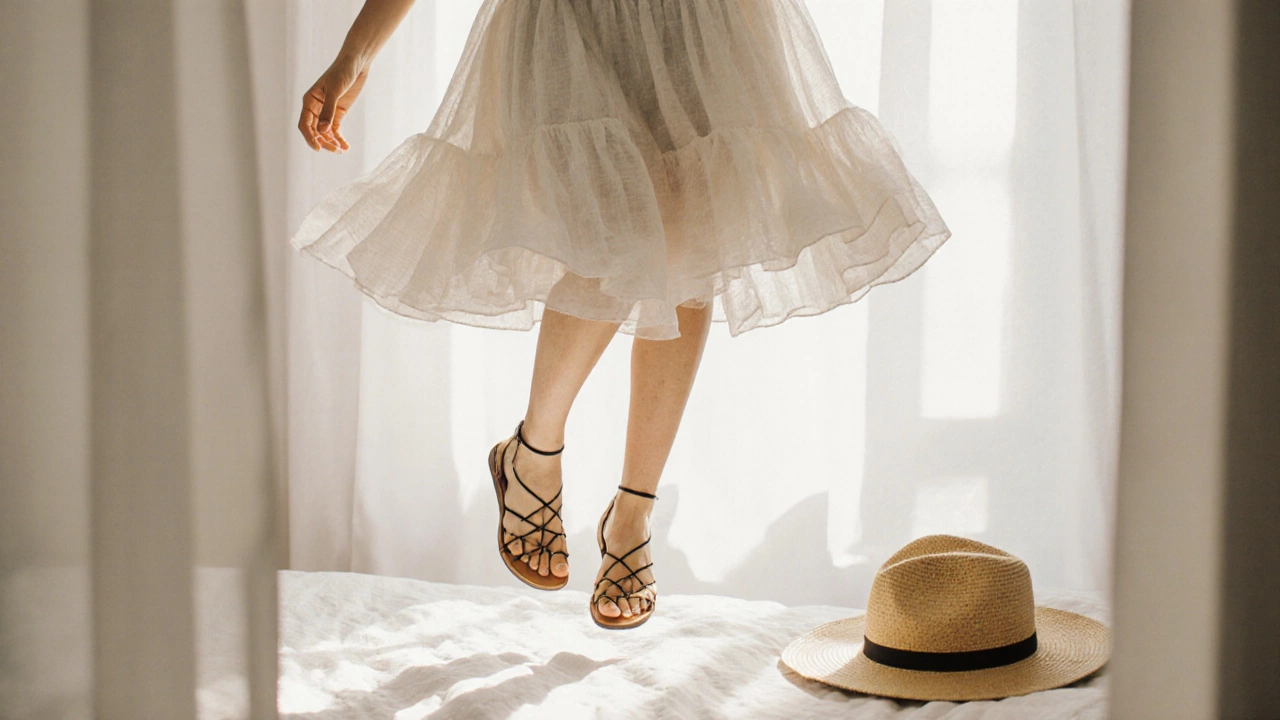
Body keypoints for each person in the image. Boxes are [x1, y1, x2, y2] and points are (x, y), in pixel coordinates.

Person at [294, 0, 950, 630]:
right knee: (606, 227)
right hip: (570, 17)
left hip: (699, 15)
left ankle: (632, 512)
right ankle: (534, 452)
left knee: (695, 231)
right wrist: (358, 52)